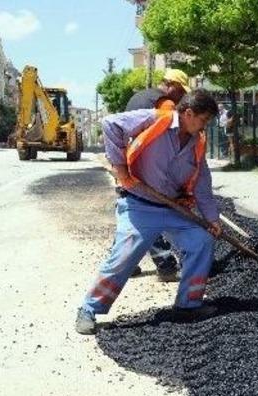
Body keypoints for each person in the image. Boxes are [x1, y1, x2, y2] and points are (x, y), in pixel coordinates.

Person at [76, 90, 222, 335]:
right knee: (125, 254)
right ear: (188, 113)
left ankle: (188, 305)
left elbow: (202, 184)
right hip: (139, 205)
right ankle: (89, 309)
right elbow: (110, 123)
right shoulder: (156, 119)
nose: (205, 126)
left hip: (173, 208)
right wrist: (121, 169)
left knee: (201, 241)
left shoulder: (197, 142)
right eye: (203, 119)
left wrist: (212, 219)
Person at [123, 69, 194, 282]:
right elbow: (170, 143)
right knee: (151, 217)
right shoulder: (165, 105)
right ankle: (166, 266)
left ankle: (129, 264)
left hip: (132, 163)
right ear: (171, 85)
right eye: (181, 91)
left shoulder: (138, 97)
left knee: (132, 216)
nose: (182, 97)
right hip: (150, 168)